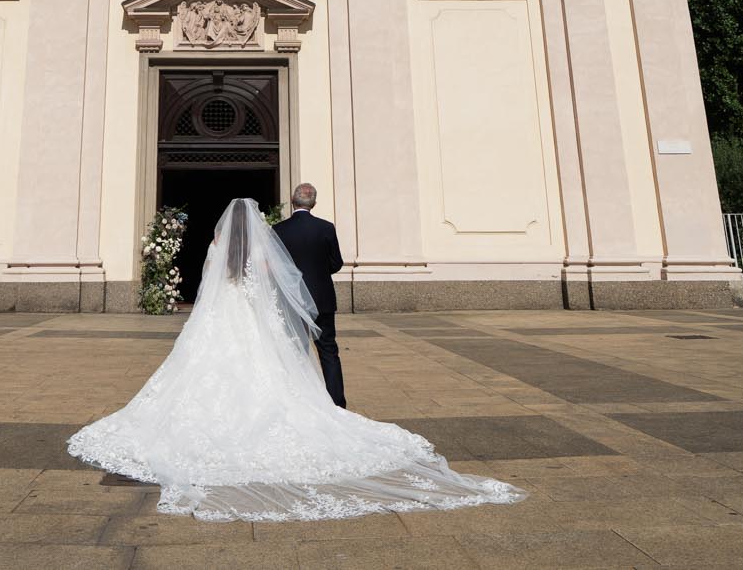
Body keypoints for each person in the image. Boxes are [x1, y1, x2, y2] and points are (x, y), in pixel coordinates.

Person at [68, 196, 522, 522]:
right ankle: (325, 402)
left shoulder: (216, 251)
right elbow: (270, 284)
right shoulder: (265, 249)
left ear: (225, 232)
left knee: (204, 367)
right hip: (251, 315)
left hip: (220, 316)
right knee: (273, 365)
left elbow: (207, 287)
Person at [271, 182, 345, 407]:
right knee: (328, 351)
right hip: (322, 299)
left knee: (294, 349)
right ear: (313, 203)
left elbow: (276, 266)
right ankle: (336, 402)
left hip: (292, 299)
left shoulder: (278, 230)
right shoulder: (326, 228)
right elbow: (336, 263)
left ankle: (298, 401)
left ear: (293, 201)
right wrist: (320, 273)